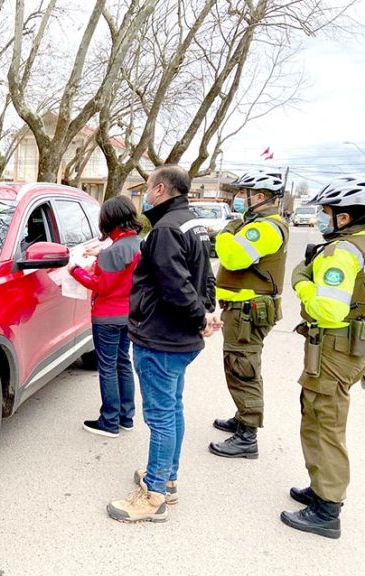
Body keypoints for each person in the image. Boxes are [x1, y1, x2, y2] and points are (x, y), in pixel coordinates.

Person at [107, 165, 222, 523]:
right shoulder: (192, 223)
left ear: (159, 189)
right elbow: (203, 276)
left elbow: (175, 285)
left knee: (160, 417)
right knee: (172, 409)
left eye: (147, 188)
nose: (144, 196)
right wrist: (206, 311)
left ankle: (154, 494)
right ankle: (167, 479)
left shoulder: (167, 230)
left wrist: (200, 317)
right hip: (179, 337)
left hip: (162, 337)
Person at [282, 174, 365, 539]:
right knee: (322, 417)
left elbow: (328, 309)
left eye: (327, 213)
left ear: (344, 218)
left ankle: (327, 509)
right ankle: (320, 488)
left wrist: (301, 280)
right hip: (358, 346)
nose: (322, 218)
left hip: (335, 348)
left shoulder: (341, 251)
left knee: (324, 423)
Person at [209, 170, 289, 459]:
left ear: (259, 196)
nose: (238, 198)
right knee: (238, 365)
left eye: (243, 193)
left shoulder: (264, 228)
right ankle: (243, 417)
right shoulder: (256, 224)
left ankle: (247, 436)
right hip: (243, 310)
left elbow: (231, 257)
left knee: (244, 368)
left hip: (248, 312)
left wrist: (227, 232)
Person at [68, 196, 142, 438]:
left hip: (107, 316)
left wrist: (74, 270)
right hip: (128, 313)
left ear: (109, 219)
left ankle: (109, 421)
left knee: (108, 367)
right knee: (123, 362)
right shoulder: (136, 244)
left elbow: (99, 285)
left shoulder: (111, 252)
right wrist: (99, 253)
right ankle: (126, 417)